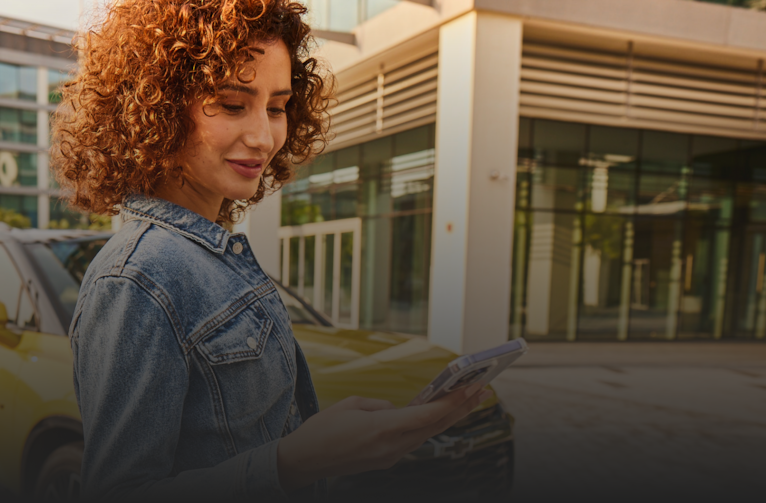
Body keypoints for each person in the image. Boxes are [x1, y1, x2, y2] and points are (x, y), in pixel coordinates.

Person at [54, 1, 492, 500]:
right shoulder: (137, 278)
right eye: (233, 104)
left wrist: (326, 441)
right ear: (157, 106)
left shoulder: (211, 255)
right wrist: (296, 461)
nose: (264, 136)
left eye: (277, 107)